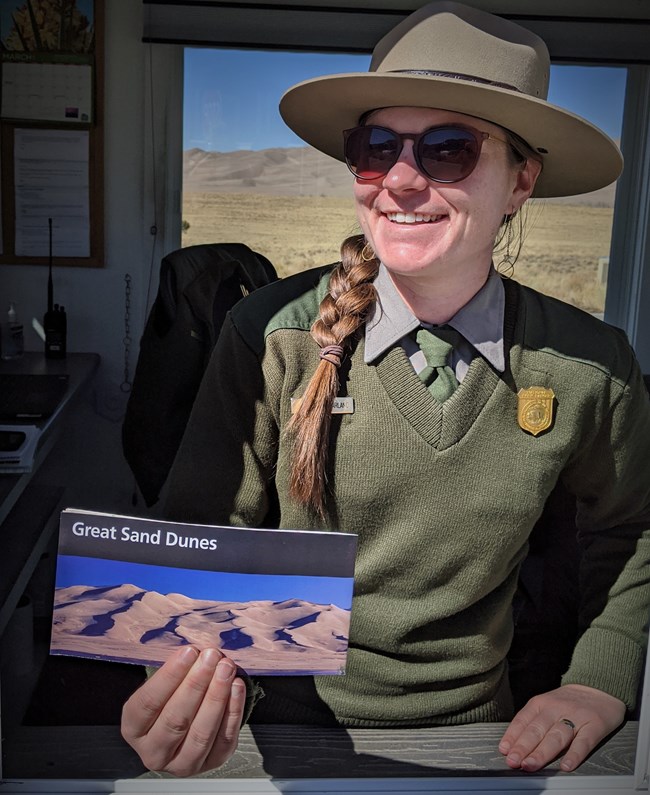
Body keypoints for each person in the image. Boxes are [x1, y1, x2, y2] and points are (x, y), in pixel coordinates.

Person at [121, 0, 650, 778]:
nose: (400, 181)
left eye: (447, 149)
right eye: (377, 147)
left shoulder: (587, 367)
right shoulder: (272, 336)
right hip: (279, 734)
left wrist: (599, 679)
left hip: (483, 743)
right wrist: (177, 694)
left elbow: (633, 530)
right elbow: (198, 537)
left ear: (521, 181)